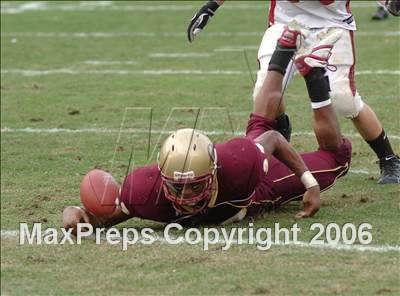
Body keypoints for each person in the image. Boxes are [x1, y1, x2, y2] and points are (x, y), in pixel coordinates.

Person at [63, 26, 352, 230]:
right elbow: (101, 218)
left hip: (259, 187)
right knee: (258, 124)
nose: (187, 198)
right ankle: (286, 46)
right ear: (162, 178)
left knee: (336, 158)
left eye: (195, 185)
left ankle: (314, 74)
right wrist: (78, 214)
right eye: (179, 187)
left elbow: (274, 138)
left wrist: (310, 183)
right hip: (240, 166)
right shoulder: (143, 191)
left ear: (214, 171)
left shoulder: (239, 165)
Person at [187, 0, 400, 184]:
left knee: (343, 99)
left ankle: (389, 159)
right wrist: (211, 6)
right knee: (264, 90)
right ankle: (279, 131)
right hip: (285, 22)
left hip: (332, 25)